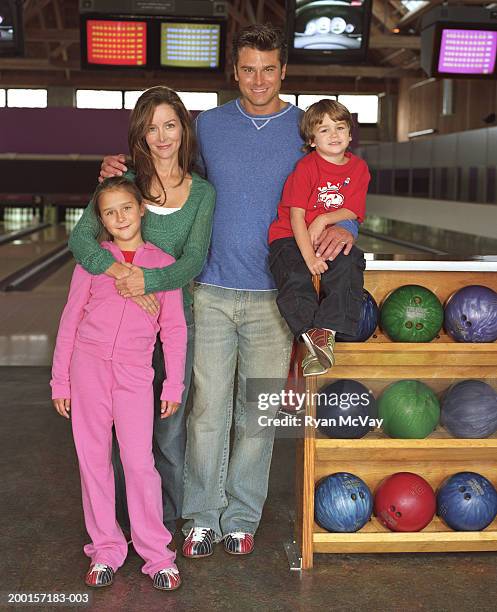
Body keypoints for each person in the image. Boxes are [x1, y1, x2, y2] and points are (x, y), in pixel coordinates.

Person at [99, 24, 359, 558]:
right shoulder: (209, 126)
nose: (258, 79)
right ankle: (201, 517)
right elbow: (165, 172)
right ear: (234, 72)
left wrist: (345, 228)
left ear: (283, 70)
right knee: (206, 413)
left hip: (274, 296)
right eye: (247, 69)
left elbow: (343, 184)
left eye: (268, 68)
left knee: (257, 416)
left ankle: (241, 517)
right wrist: (119, 170)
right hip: (211, 292)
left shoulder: (305, 128)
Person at [68, 87, 216, 537]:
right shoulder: (122, 183)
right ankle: (117, 528)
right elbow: (80, 241)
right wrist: (122, 275)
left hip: (172, 323)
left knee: (168, 436)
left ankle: (160, 528)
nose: (162, 135)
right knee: (118, 437)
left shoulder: (202, 193)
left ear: (183, 130)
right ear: (141, 134)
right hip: (117, 329)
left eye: (170, 124)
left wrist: (147, 281)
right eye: (151, 127)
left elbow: (194, 258)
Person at [51, 177, 186, 590]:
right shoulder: (92, 262)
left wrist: (173, 385)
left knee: (138, 462)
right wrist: (61, 380)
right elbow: (71, 318)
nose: (119, 217)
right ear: (102, 221)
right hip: (86, 368)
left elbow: (175, 330)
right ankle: (106, 548)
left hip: (134, 374)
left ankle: (156, 553)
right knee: (93, 462)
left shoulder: (163, 265)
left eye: (126, 208)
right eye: (109, 212)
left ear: (141, 208)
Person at [268, 99, 369, 377]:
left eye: (339, 127)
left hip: (323, 236)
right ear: (312, 140)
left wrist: (324, 219)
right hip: (290, 236)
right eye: (324, 130)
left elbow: (354, 210)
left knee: (350, 263)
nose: (334, 135)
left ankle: (326, 331)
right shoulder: (306, 169)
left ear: (350, 134)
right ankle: (310, 332)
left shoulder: (359, 168)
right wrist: (309, 257)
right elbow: (296, 217)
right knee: (294, 274)